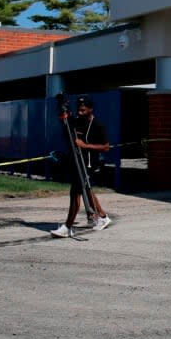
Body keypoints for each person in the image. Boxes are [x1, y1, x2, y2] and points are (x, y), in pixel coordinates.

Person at [50, 95, 112, 237]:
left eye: (83, 109)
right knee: (87, 191)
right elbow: (65, 119)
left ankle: (67, 227)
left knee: (75, 193)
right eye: (78, 109)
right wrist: (61, 106)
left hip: (89, 164)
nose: (80, 112)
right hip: (78, 162)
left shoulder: (98, 125)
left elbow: (106, 147)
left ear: (90, 109)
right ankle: (103, 217)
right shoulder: (78, 122)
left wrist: (85, 146)